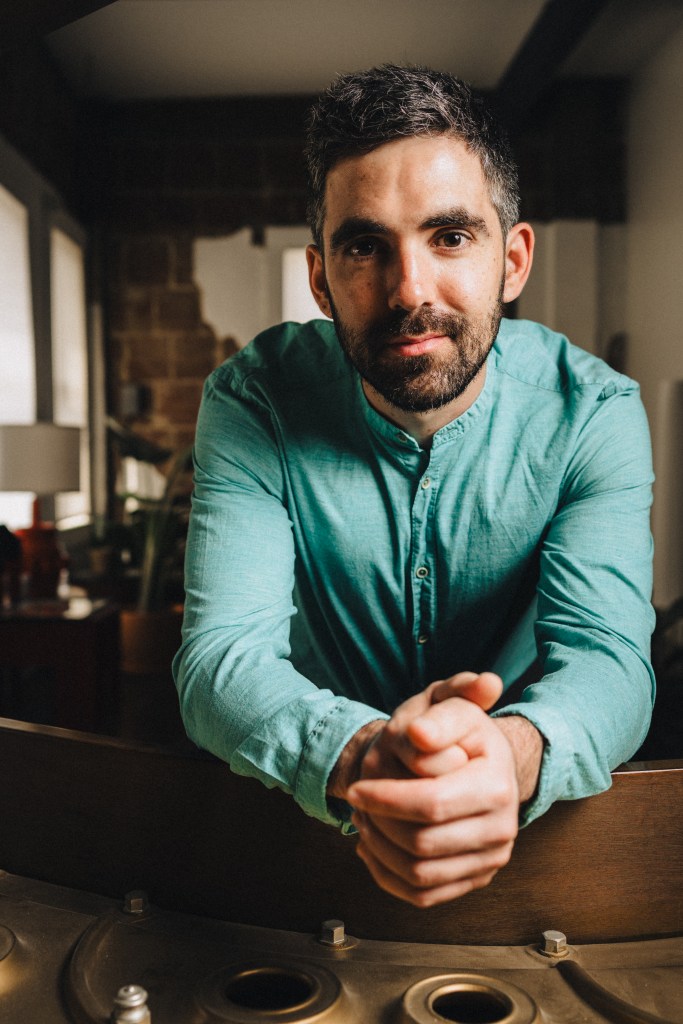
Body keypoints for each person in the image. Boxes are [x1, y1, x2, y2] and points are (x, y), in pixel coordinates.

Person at [173, 65, 655, 908]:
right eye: (365, 245)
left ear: (511, 259)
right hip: (296, 839)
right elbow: (220, 658)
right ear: (320, 279)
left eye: (450, 237)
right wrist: (365, 754)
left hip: (529, 845)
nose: (408, 291)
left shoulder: (596, 415)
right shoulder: (253, 400)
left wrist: (506, 757)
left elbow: (609, 663)